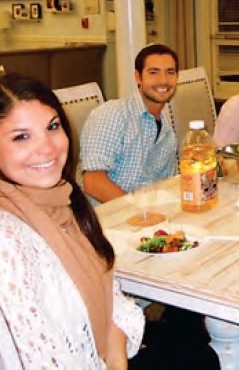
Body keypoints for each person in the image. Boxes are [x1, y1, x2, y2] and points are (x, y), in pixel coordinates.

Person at [0, 73, 144, 368]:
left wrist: (117, 359)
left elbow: (114, 300)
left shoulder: (62, 203)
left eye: (52, 127)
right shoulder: (8, 238)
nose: (48, 149)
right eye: (21, 137)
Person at [80, 44, 179, 204]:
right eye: (153, 73)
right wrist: (137, 212)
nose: (163, 80)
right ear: (138, 77)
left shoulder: (167, 134)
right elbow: (93, 182)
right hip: (102, 218)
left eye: (170, 73)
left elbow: (162, 188)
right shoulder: (114, 114)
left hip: (143, 216)